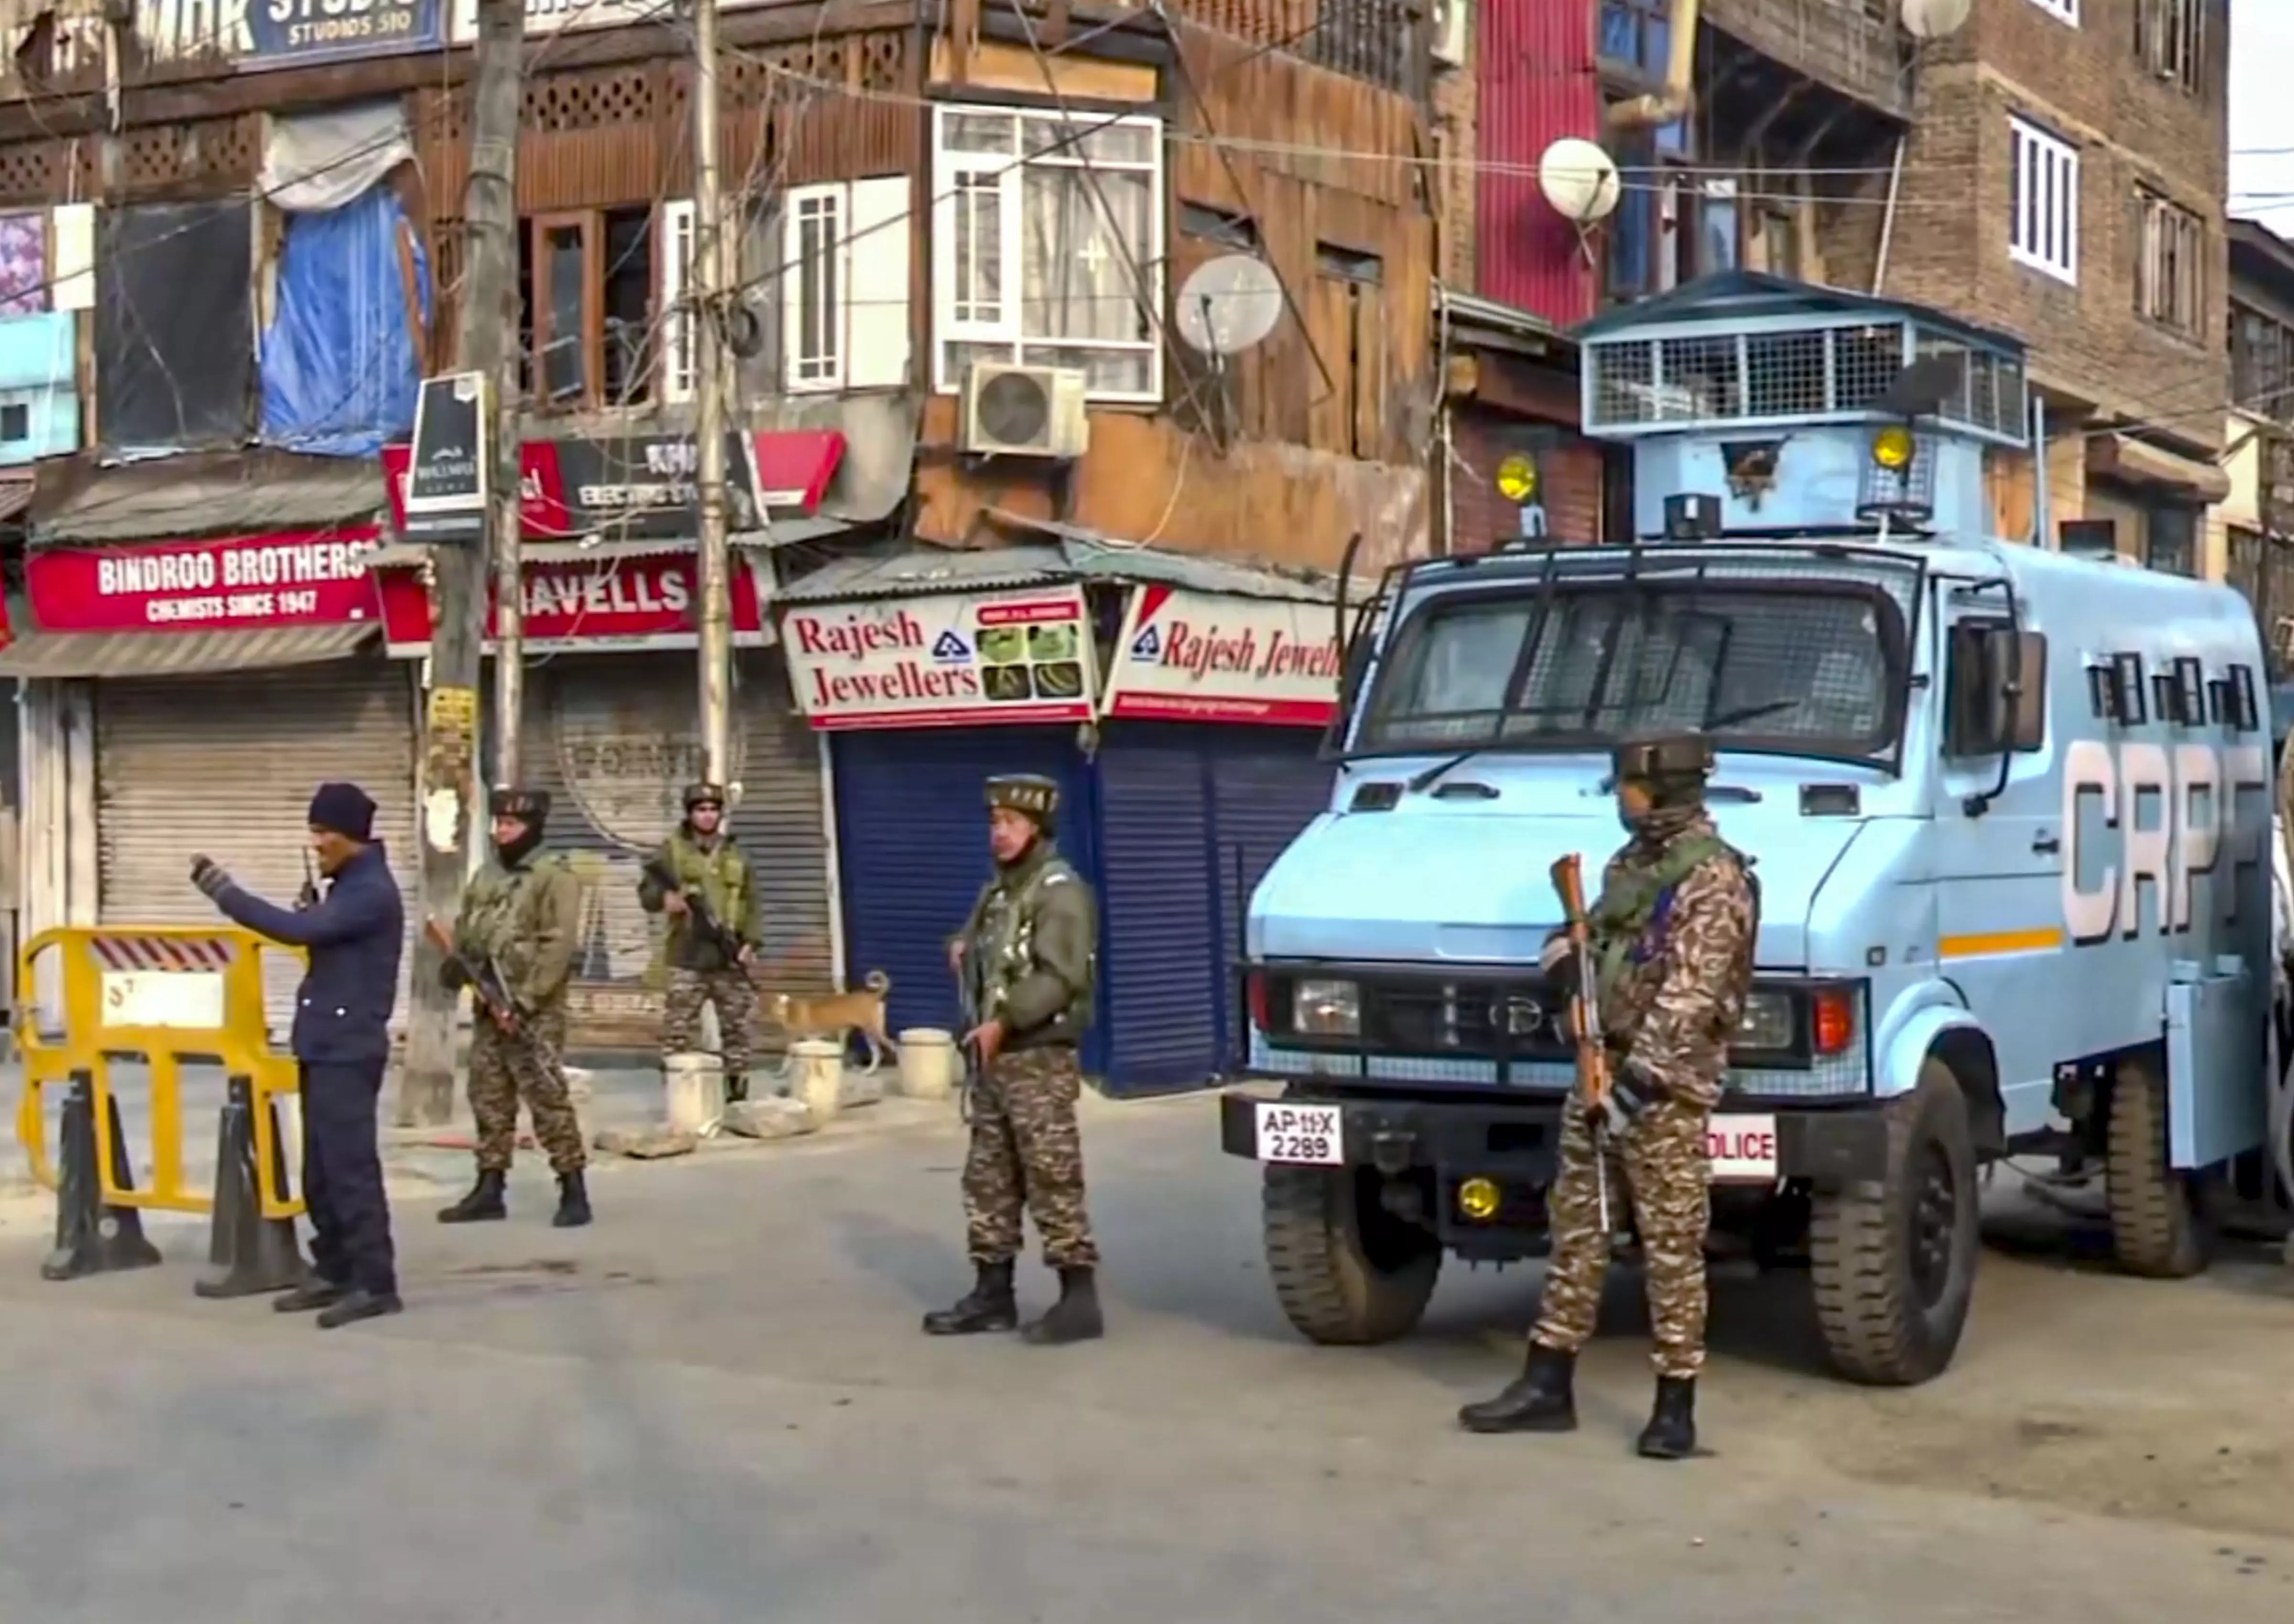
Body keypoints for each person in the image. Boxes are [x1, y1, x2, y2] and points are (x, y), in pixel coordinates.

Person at [1458, 730, 1757, 1460]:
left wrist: (1632, 1089)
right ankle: (1548, 1381)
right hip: (1602, 1071)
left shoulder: (1713, 878)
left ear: (1663, 790)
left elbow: (1691, 1000)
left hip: (1664, 1089)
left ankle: (1675, 1402)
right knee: (1578, 1230)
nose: (1618, 795)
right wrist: (1568, 977)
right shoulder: (1632, 865)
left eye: (1628, 783)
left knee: (1671, 1249)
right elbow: (1587, 945)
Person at [190, 782, 405, 1329]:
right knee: (321, 1171)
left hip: (348, 1047)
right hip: (323, 1042)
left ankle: (375, 1283)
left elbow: (298, 930)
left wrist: (227, 895)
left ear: (351, 835)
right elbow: (325, 938)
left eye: (323, 831)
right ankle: (334, 1269)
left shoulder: (370, 890)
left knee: (350, 1169)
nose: (316, 843)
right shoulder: (347, 886)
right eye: (313, 831)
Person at [924, 774, 1104, 1345]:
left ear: (1038, 829)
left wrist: (1005, 1021)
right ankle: (992, 1293)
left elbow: (1060, 975)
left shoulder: (1060, 891)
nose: (999, 834)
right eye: (995, 822)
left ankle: (1079, 1300)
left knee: (1051, 1176)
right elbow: (983, 939)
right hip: (993, 1059)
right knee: (989, 1180)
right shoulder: (999, 891)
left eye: (1012, 824)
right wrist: (962, 945)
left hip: (1036, 1056)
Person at [434, 787, 592, 1228]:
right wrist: (457, 965)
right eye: (499, 823)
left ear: (534, 827)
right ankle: (490, 1186)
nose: (503, 832)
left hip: (532, 1008)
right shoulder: (487, 874)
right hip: (489, 1002)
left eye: (512, 824)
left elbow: (558, 944)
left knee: (546, 1094)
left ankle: (572, 1185)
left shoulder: (554, 876)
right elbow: (469, 926)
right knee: (488, 1095)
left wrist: (527, 999)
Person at [638, 782, 762, 1102]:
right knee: (677, 1031)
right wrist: (666, 898)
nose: (707, 816)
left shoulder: (736, 853)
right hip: (687, 954)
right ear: (690, 813)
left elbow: (753, 902)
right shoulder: (672, 851)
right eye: (700, 810)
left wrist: (752, 942)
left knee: (737, 1031)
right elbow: (647, 891)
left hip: (728, 955)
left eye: (713, 810)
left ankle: (737, 1095)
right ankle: (681, 1100)